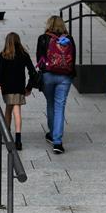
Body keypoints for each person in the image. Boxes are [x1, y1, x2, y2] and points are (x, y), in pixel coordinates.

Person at [36, 16, 76, 154]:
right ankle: (57, 142)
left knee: (50, 103)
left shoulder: (43, 38)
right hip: (65, 77)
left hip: (48, 76)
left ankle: (52, 134)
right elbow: (73, 60)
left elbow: (39, 60)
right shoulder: (69, 39)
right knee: (60, 107)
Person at [0, 32, 37, 150]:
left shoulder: (3, 55)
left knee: (10, 109)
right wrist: (28, 87)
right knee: (15, 110)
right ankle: (17, 139)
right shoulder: (24, 55)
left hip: (7, 88)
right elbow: (32, 72)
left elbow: (0, 72)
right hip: (19, 88)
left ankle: (7, 134)